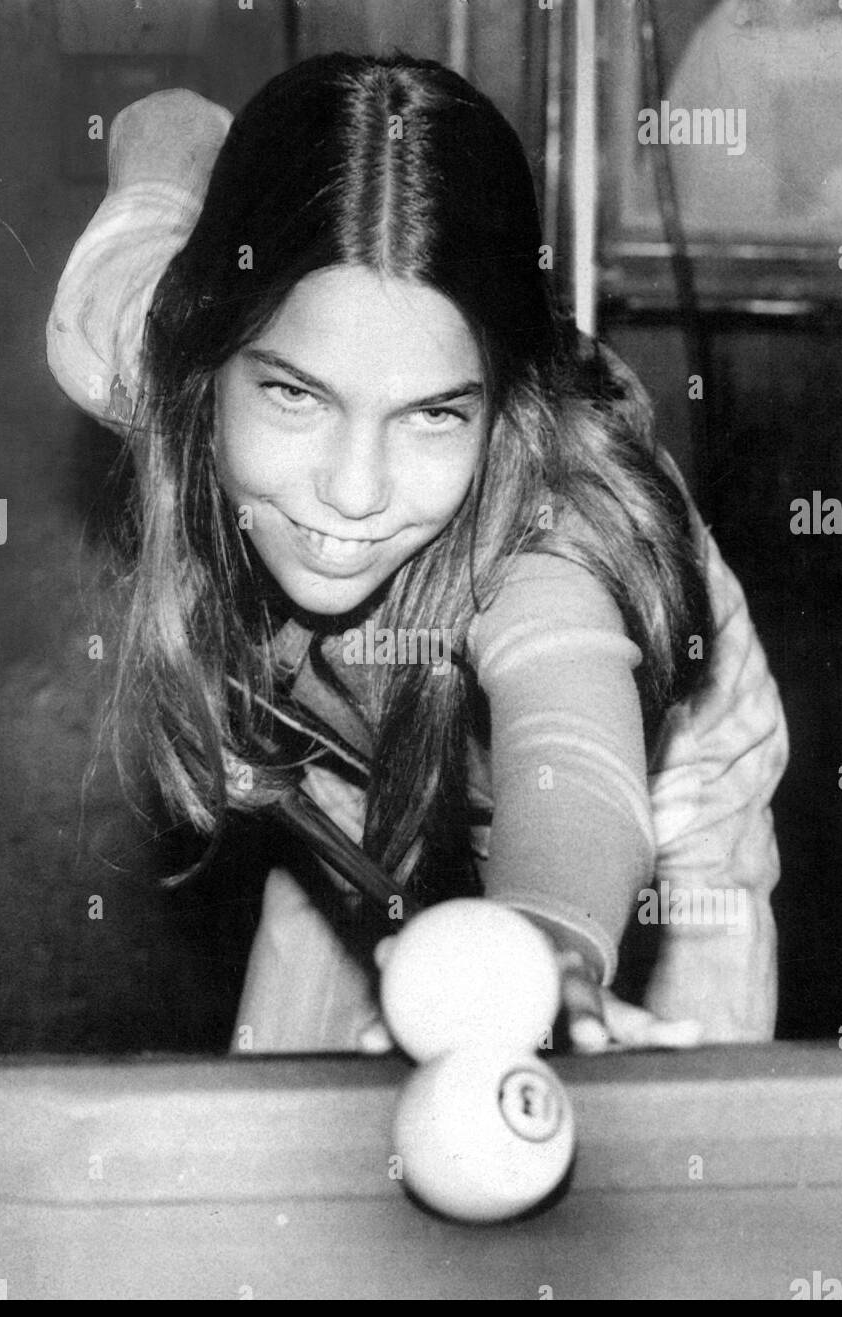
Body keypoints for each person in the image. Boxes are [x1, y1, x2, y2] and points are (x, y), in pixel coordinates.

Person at [46, 54, 788, 1054]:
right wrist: (186, 188)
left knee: (653, 1171)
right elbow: (165, 114)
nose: (355, 491)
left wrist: (537, 956)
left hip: (659, 797)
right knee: (282, 1168)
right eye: (293, 394)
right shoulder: (135, 333)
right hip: (350, 767)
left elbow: (574, 761)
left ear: (499, 411)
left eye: (434, 414)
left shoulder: (542, 537)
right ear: (204, 349)